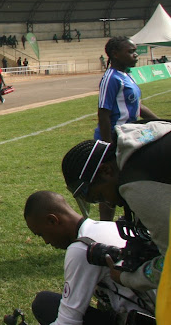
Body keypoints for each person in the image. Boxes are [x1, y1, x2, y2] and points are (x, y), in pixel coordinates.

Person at [62, 122, 171, 293]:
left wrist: (128, 278)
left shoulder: (136, 186)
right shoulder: (143, 136)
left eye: (100, 197)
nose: (110, 204)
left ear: (106, 171)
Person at [24, 191, 155, 324]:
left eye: (41, 234)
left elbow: (68, 322)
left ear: (52, 220)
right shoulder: (108, 227)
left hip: (142, 319)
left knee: (45, 304)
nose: (45, 241)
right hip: (155, 313)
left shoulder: (82, 248)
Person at [95, 36, 158, 221]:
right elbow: (103, 113)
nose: (135, 55)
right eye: (130, 51)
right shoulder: (110, 78)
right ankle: (105, 228)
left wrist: (161, 122)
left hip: (130, 139)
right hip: (116, 140)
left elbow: (138, 106)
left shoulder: (126, 75)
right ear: (115, 54)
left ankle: (135, 224)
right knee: (111, 187)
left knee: (132, 184)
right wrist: (108, 147)